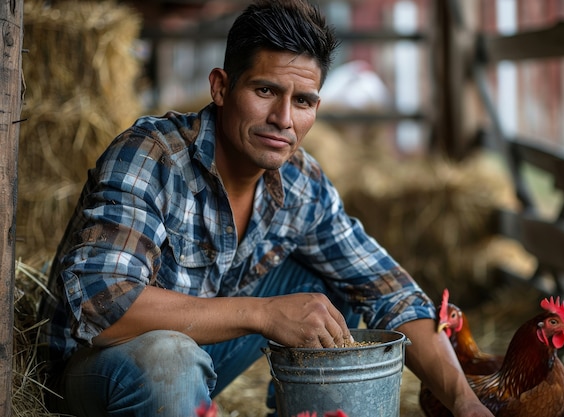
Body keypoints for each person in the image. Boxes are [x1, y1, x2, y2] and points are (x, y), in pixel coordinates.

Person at [38, 1, 495, 417]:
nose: (284, 119)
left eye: (303, 101)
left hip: (198, 360)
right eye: (265, 91)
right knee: (169, 356)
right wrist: (263, 313)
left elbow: (388, 289)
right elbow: (104, 305)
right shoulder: (150, 155)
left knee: (332, 288)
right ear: (220, 87)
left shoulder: (301, 181)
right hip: (98, 371)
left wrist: (464, 401)